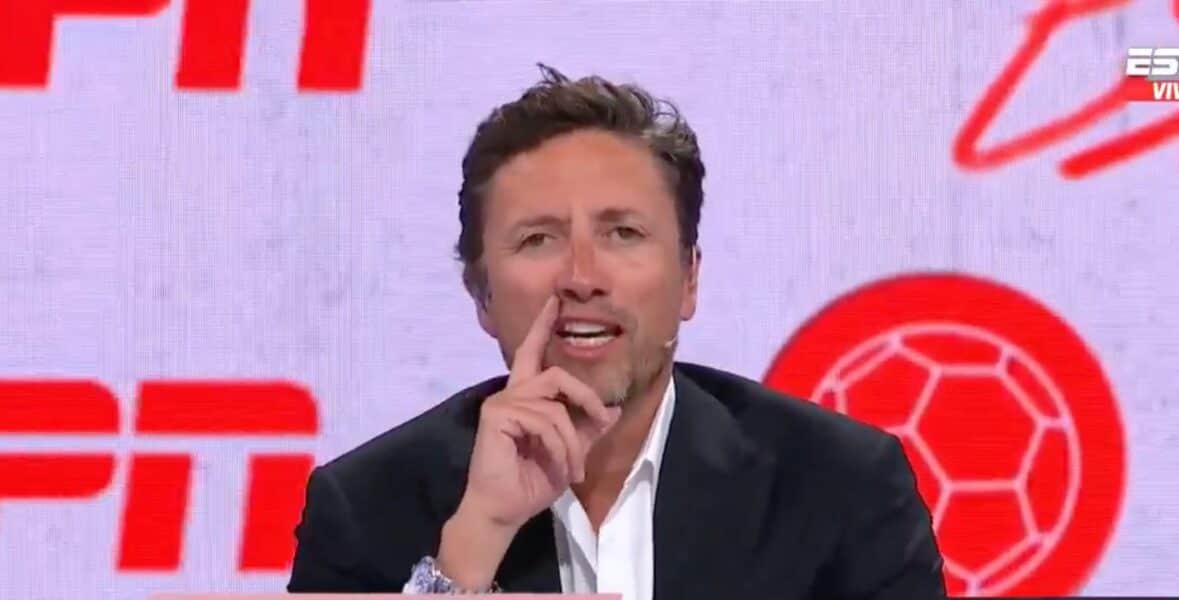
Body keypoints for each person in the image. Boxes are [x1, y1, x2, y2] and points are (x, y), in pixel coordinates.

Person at [286, 65, 946, 599]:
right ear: (481, 294)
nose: (582, 277)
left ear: (689, 279)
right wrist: (475, 541)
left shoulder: (840, 486)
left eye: (623, 233)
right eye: (538, 239)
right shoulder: (364, 509)